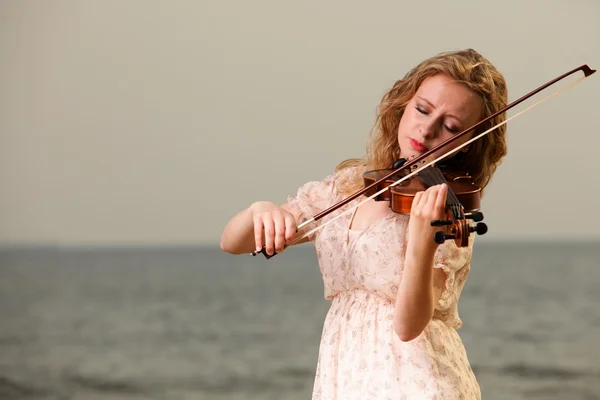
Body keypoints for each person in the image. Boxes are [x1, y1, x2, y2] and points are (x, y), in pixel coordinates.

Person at [220, 48, 508, 399]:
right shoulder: (349, 186)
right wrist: (261, 209)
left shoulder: (445, 212)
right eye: (422, 109)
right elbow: (233, 243)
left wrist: (421, 243)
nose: (427, 129)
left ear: (467, 142)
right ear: (403, 103)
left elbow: (408, 327)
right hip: (348, 373)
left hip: (417, 381)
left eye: (450, 127)